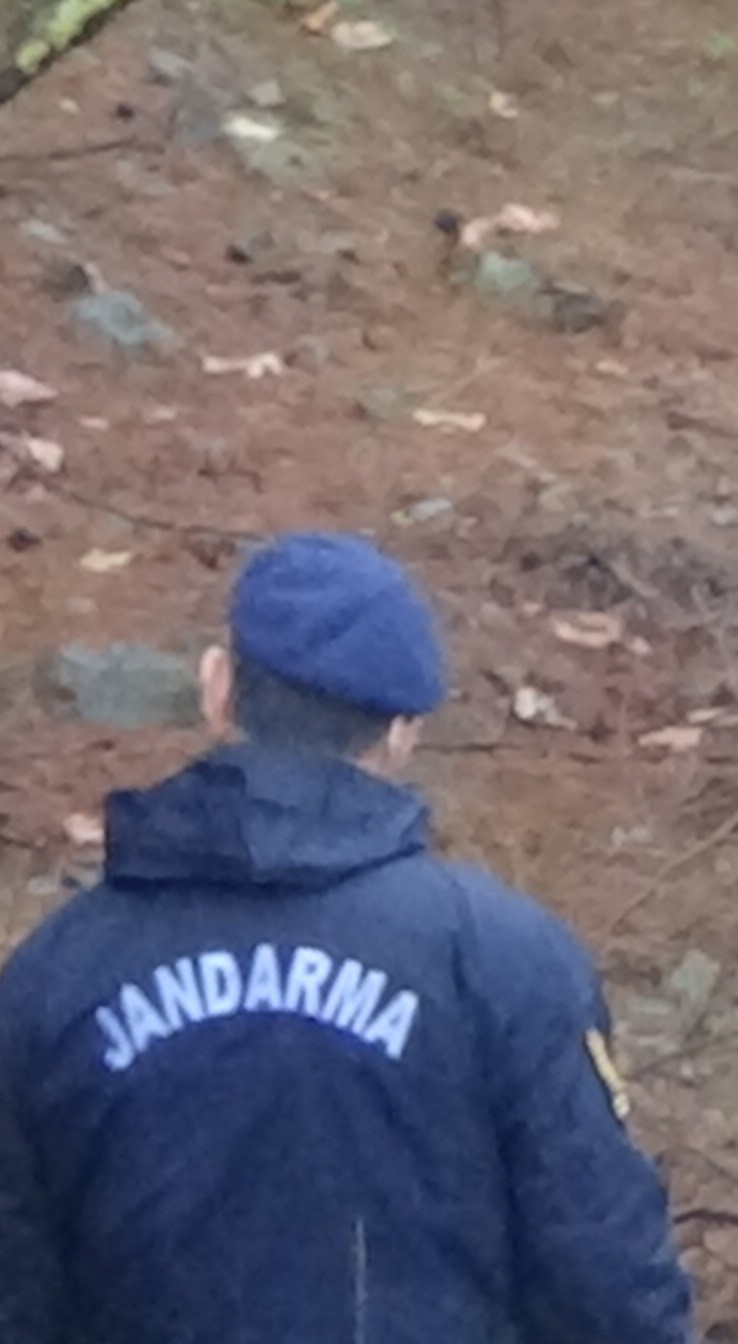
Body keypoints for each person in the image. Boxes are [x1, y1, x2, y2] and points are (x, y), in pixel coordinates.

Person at [0, 534, 694, 1344]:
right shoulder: (501, 957)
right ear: (402, 732)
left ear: (217, 688)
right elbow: (606, 1286)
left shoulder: (55, 976)